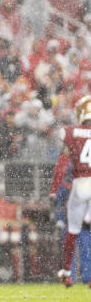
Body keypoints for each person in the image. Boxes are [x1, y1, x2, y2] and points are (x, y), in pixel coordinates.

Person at [51, 96, 91, 286]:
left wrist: (54, 190)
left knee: (72, 231)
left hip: (80, 183)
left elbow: (62, 164)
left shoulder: (71, 132)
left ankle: (66, 273)